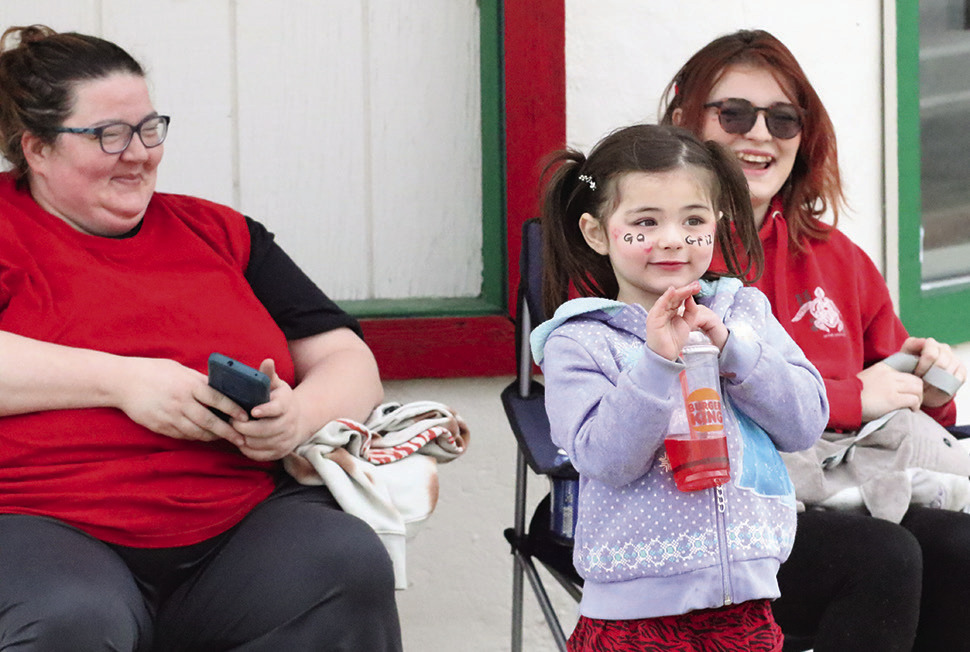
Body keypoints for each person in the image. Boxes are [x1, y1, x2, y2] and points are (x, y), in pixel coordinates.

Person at [0, 25, 402, 651]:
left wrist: (297, 417)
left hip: (234, 523)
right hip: (42, 523)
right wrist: (124, 381)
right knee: (73, 617)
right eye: (108, 134)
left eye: (148, 129)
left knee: (342, 563)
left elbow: (348, 359)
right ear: (38, 150)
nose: (138, 153)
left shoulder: (220, 233)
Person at [661, 29, 970, 651]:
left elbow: (905, 404)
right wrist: (851, 397)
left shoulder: (835, 255)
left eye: (783, 119)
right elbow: (681, 401)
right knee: (884, 556)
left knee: (959, 547)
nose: (760, 135)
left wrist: (928, 383)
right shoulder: (658, 250)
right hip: (716, 500)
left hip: (851, 486)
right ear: (684, 122)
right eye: (735, 113)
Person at [530, 123, 829, 651]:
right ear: (597, 233)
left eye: (693, 220)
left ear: (716, 225)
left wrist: (733, 350)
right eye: (644, 222)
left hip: (746, 606)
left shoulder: (745, 314)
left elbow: (805, 422)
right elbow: (606, 459)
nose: (672, 238)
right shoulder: (579, 342)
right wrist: (654, 363)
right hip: (630, 620)